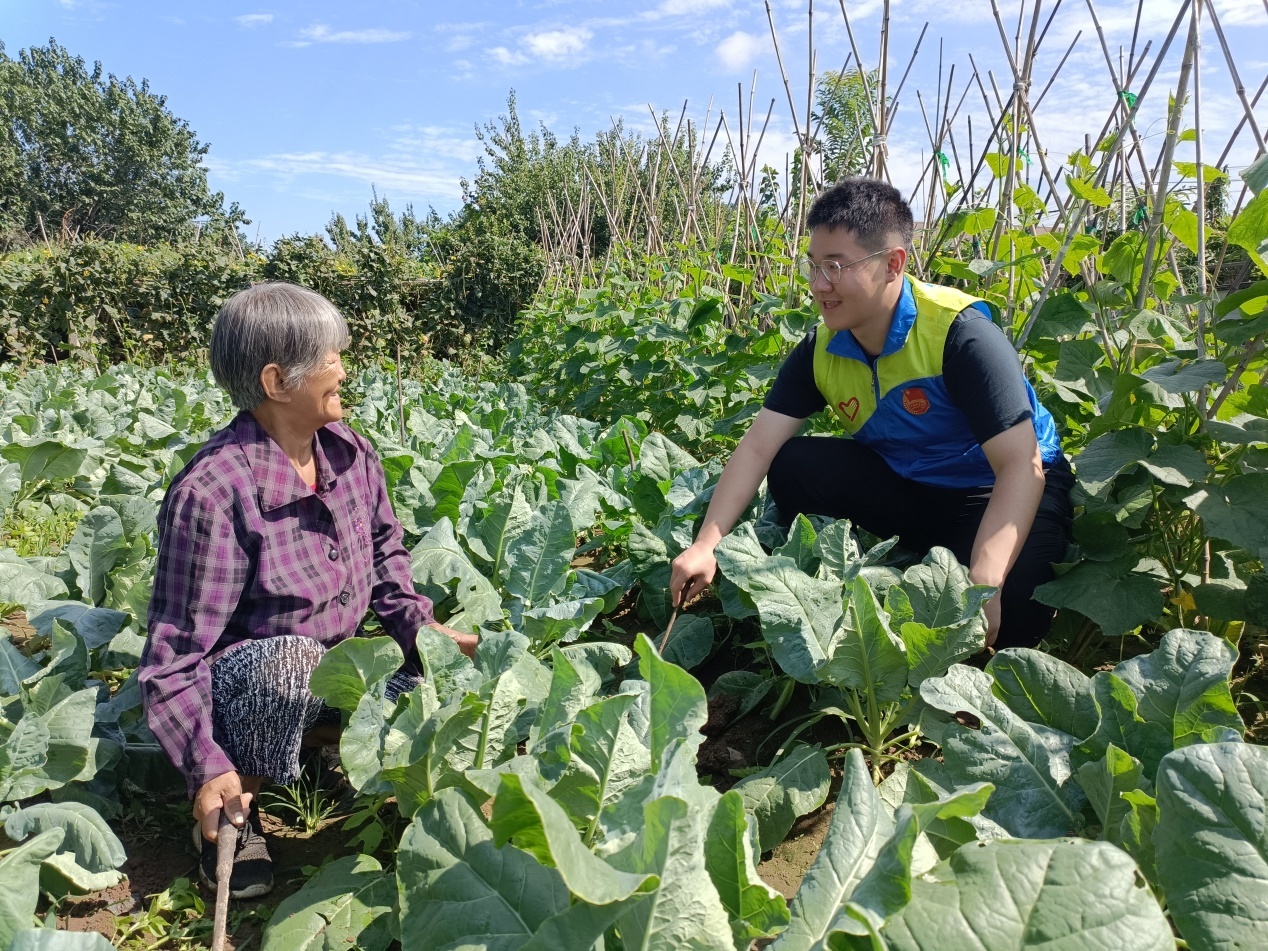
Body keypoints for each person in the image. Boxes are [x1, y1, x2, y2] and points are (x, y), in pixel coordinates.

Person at [138, 282, 477, 899]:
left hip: (331, 668)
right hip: (246, 687)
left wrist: (425, 633)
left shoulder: (349, 453)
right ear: (275, 381)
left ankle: (313, 750)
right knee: (287, 664)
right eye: (330, 358)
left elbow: (385, 558)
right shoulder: (213, 494)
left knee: (438, 682)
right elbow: (172, 662)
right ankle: (234, 810)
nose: (343, 370)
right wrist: (203, 764)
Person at [670, 177, 1073, 649]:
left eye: (836, 267)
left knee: (1011, 620)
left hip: (998, 491)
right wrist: (705, 545)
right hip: (913, 488)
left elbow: (1020, 468)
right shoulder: (821, 349)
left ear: (892, 264)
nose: (820, 286)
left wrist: (984, 582)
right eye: (814, 266)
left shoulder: (961, 335)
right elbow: (759, 446)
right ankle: (930, 554)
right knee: (792, 463)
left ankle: (966, 562)